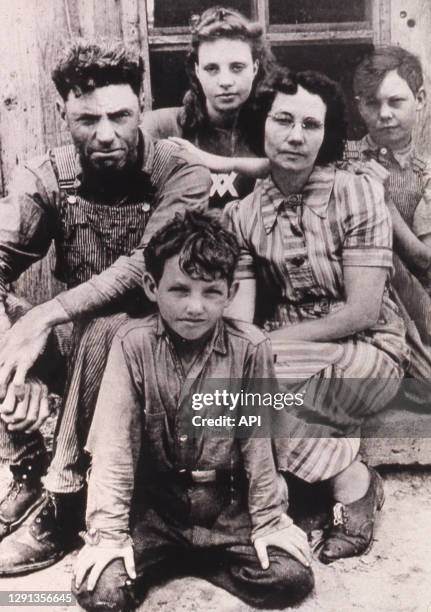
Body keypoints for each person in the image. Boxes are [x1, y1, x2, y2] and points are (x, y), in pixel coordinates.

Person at [0, 39, 210, 574]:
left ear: (141, 105)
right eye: (87, 119)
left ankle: (65, 501)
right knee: (16, 321)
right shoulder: (45, 176)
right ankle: (28, 464)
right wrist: (13, 356)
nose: (106, 134)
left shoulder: (180, 172)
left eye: (120, 115)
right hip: (80, 335)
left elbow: (147, 264)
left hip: (162, 347)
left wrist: (43, 315)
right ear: (61, 112)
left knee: (108, 329)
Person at [72, 210, 314, 610]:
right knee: (102, 593)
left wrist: (270, 521)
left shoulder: (250, 347)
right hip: (156, 511)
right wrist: (109, 536)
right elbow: (114, 449)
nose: (195, 307)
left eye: (211, 292)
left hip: (226, 509)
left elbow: (260, 447)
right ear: (152, 286)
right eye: (180, 290)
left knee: (289, 576)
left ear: (231, 293)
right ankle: (173, 557)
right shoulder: (132, 345)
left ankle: (192, 561)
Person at [223, 67, 409, 564]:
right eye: (284, 120)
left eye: (311, 124)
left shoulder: (356, 192)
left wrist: (266, 350)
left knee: (273, 392)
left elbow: (362, 310)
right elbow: (240, 319)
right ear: (263, 122)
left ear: (326, 134)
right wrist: (249, 351)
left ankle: (353, 487)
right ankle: (325, 482)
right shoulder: (241, 215)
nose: (296, 135)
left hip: (368, 345)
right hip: (283, 343)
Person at [344, 45, 431, 380]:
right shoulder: (344, 156)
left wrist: (385, 203)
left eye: (396, 101)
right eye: (372, 103)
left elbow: (424, 260)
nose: (384, 113)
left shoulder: (425, 174)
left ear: (419, 99)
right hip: (356, 289)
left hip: (412, 296)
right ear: (358, 106)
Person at [142, 6, 273, 210]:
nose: (225, 81)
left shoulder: (275, 128)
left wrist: (218, 162)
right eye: (212, 68)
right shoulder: (163, 126)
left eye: (237, 67)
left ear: (255, 67)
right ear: (197, 70)